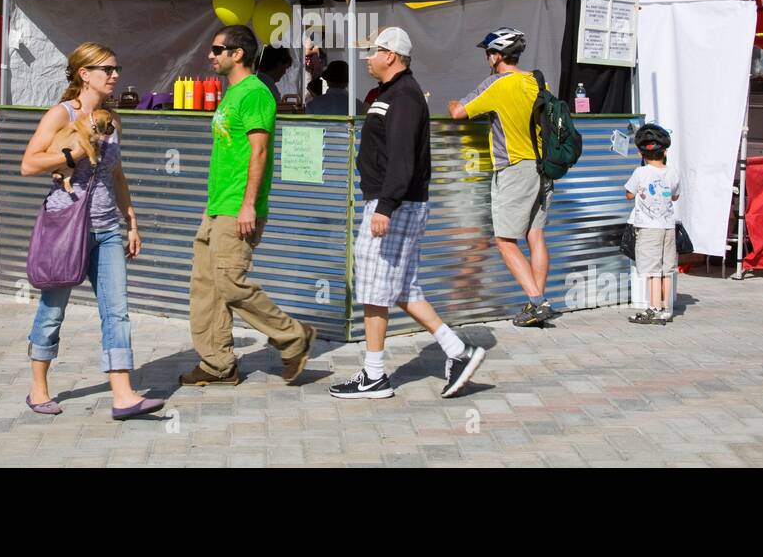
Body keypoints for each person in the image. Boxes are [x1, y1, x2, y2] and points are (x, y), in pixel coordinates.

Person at [330, 26, 486, 400]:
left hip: (393, 204)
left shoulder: (404, 96)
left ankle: (374, 375)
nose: (368, 57)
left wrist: (385, 206)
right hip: (398, 202)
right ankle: (458, 352)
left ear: (392, 56)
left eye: (374, 50)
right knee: (401, 287)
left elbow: (401, 158)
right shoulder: (393, 93)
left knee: (373, 289)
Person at [19, 42, 164, 420]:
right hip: (67, 227)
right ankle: (38, 388)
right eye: (107, 69)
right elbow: (29, 164)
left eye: (116, 69)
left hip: (107, 229)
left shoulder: (113, 121)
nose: (115, 76)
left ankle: (123, 395)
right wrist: (73, 155)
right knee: (53, 310)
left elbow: (116, 174)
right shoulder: (60, 114)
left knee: (117, 312)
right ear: (84, 74)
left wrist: (130, 220)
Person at [181, 24, 315, 386]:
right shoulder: (233, 93)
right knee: (205, 287)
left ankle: (292, 337)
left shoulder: (255, 93)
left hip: (238, 207)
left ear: (237, 53)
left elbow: (259, 151)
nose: (210, 54)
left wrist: (248, 206)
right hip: (217, 206)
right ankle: (216, 364)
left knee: (229, 283)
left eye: (216, 49)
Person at [447, 27, 556, 327]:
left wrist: (452, 102)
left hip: (514, 168)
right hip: (543, 167)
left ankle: (536, 302)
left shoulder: (496, 84)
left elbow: (459, 113)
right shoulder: (535, 80)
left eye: (488, 53)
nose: (487, 57)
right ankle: (537, 302)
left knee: (505, 240)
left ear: (497, 55)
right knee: (535, 236)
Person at [624, 124, 681, 325]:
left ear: (641, 152)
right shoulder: (673, 172)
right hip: (668, 226)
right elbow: (675, 196)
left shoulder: (640, 173)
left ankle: (654, 308)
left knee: (652, 271)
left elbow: (629, 194)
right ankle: (666, 309)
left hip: (648, 228)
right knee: (666, 268)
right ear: (665, 151)